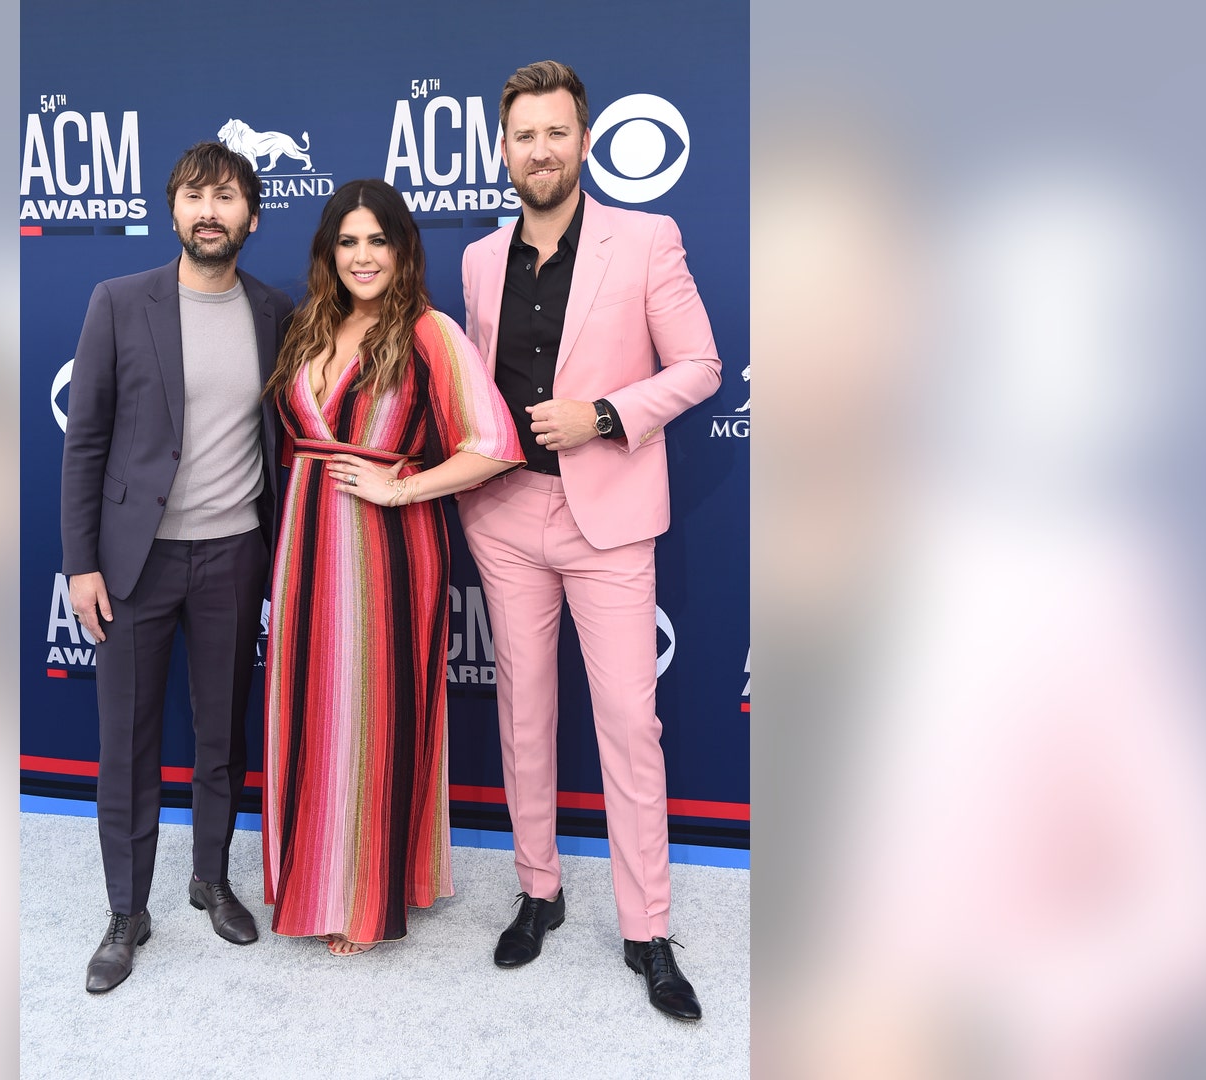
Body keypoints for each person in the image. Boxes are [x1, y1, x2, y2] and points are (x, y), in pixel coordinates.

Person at [455, 61, 723, 1020]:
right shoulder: (481, 259)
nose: (541, 150)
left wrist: (604, 415)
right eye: (524, 135)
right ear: (504, 148)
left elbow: (700, 365)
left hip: (608, 520)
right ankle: (540, 891)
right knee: (523, 714)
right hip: (505, 516)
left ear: (584, 138)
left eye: (557, 133)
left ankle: (647, 929)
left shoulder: (647, 238)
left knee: (627, 724)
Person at [262, 178, 523, 955]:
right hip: (303, 541)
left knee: (368, 715)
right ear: (327, 253)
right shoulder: (311, 327)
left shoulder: (429, 331)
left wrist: (401, 484)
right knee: (310, 712)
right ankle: (310, 877)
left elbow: (493, 445)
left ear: (404, 247)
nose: (363, 256)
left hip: (384, 549)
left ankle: (363, 894)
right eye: (347, 241)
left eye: (378, 240)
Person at [60, 142, 294, 993]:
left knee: (220, 739)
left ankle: (211, 880)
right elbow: (85, 441)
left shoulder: (276, 311)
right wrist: (81, 562)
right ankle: (128, 911)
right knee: (126, 744)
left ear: (251, 217)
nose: (209, 210)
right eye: (195, 195)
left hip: (235, 556)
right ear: (173, 212)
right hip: (134, 564)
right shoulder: (119, 303)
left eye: (226, 197)